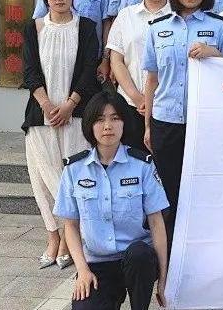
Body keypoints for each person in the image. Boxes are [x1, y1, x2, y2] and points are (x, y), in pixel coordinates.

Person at [142, 0, 223, 247]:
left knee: (204, 188)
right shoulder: (157, 28)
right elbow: (152, 80)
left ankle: (202, 249)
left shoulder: (220, 26)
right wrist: (148, 126)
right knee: (168, 191)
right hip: (166, 121)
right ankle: (169, 254)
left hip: (206, 122)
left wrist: (213, 53)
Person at [55, 94, 169, 310]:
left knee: (139, 255)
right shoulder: (74, 169)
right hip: (98, 263)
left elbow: (156, 222)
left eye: (115, 118)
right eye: (100, 120)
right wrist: (83, 271)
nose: (108, 126)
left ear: (124, 123)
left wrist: (163, 280)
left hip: (136, 261)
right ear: (90, 126)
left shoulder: (143, 166)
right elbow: (70, 225)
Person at [21, 0, 101, 270]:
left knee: (72, 176)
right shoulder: (33, 28)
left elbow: (89, 71)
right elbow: (29, 71)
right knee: (44, 178)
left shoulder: (86, 27)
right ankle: (53, 236)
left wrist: (69, 105)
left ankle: (70, 238)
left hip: (76, 115)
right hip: (40, 115)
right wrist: (46, 104)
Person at [106, 0, 172, 152]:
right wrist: (137, 97)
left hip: (167, 105)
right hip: (129, 104)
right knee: (131, 160)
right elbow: (116, 60)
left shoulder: (179, 17)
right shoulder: (126, 15)